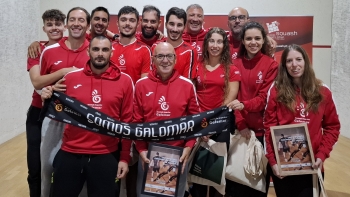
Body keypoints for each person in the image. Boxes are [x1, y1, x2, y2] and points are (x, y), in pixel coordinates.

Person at [41, 35, 132, 197]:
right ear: (88, 51)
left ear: (111, 52)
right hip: (70, 151)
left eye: (105, 49)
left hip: (106, 154)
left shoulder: (124, 81)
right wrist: (47, 96)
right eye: (95, 49)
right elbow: (56, 108)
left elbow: (126, 122)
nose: (100, 53)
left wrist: (124, 157)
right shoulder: (70, 78)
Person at [264, 44, 340, 197]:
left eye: (298, 59)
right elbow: (268, 129)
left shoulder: (322, 90)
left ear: (305, 61)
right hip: (284, 166)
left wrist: (321, 155)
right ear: (284, 65)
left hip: (311, 165)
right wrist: (273, 161)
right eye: (289, 61)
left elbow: (332, 127)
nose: (294, 65)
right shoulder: (276, 89)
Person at [133, 42, 200, 196]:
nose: (165, 60)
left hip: (178, 157)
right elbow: (136, 122)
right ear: (153, 60)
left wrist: (188, 148)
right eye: (160, 56)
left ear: (175, 59)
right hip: (148, 157)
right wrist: (142, 150)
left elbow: (195, 121)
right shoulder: (141, 85)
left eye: (169, 56)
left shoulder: (187, 85)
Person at [39, 7, 91, 197]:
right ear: (67, 23)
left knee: (81, 171)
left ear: (88, 24)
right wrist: (46, 90)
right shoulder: (49, 51)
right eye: (73, 20)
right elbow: (41, 82)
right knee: (47, 168)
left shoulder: (94, 51)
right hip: (54, 119)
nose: (77, 23)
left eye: (81, 20)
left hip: (83, 122)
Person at [226, 21, 278, 197]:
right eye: (248, 38)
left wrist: (244, 105)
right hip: (240, 132)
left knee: (256, 186)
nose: (253, 42)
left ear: (264, 40)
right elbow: (233, 97)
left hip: (262, 134)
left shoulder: (271, 65)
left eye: (257, 38)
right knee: (235, 184)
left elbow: (264, 99)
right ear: (243, 41)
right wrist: (241, 124)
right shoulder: (235, 63)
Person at [190, 27, 241, 197]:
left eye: (219, 41)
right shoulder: (196, 65)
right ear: (206, 43)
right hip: (197, 126)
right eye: (212, 41)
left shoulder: (231, 70)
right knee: (196, 176)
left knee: (216, 176)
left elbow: (229, 100)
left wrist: (210, 127)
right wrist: (201, 126)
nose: (215, 45)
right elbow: (191, 95)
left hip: (220, 127)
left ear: (224, 45)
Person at [26, 9, 68, 197]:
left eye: (58, 24)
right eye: (50, 24)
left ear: (64, 26)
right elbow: (37, 81)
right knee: (36, 166)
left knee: (60, 166)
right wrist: (64, 71)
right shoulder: (37, 49)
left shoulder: (72, 45)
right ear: (44, 28)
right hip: (38, 112)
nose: (54, 28)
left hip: (64, 114)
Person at [27, 6, 113, 58]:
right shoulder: (82, 37)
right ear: (90, 22)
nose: (100, 23)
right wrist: (36, 43)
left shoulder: (112, 42)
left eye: (104, 20)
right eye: (97, 19)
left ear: (108, 24)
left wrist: (115, 36)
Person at [152, 7, 198, 79]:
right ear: (166, 24)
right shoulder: (156, 46)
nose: (175, 29)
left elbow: (189, 84)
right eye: (171, 24)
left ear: (184, 27)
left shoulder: (190, 51)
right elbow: (151, 77)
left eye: (179, 25)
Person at [110, 6, 152, 84]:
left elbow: (144, 84)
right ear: (117, 23)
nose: (127, 23)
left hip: (134, 96)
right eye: (123, 20)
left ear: (138, 24)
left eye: (132, 20)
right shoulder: (108, 48)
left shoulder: (145, 50)